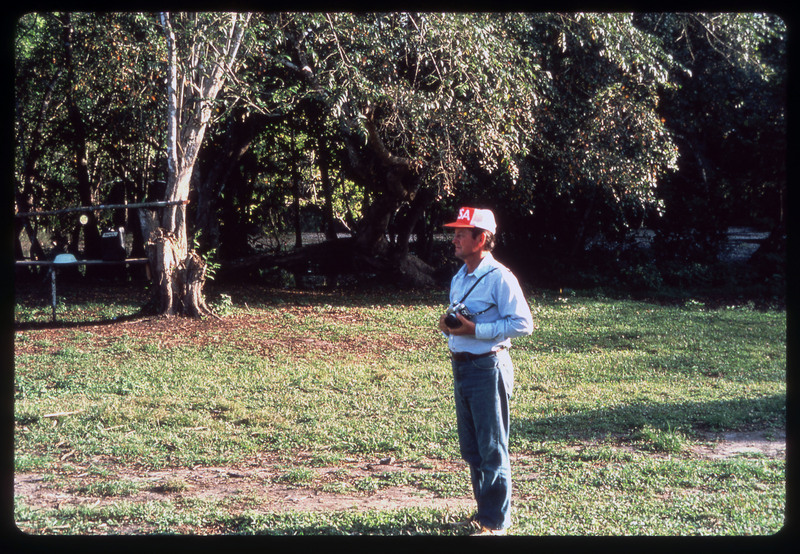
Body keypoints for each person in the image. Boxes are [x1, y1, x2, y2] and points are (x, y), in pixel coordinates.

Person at [438, 207, 533, 536]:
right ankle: (484, 512)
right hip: (462, 367)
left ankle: (496, 522)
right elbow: (460, 321)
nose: (455, 239)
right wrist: (449, 328)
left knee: (492, 446)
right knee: (473, 447)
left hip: (488, 367)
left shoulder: (500, 277)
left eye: (462, 233)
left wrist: (475, 330)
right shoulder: (460, 276)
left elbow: (523, 324)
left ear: (482, 239)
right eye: (456, 233)